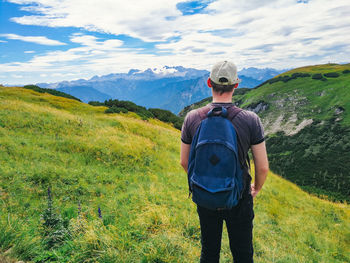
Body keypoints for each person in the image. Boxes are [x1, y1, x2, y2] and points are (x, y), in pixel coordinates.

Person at [180, 60, 269, 263]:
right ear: (236, 85)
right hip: (239, 197)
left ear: (209, 84)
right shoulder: (250, 120)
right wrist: (255, 188)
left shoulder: (192, 118)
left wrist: (205, 181)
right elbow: (262, 167)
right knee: (243, 253)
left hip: (204, 195)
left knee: (209, 252)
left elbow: (184, 162)